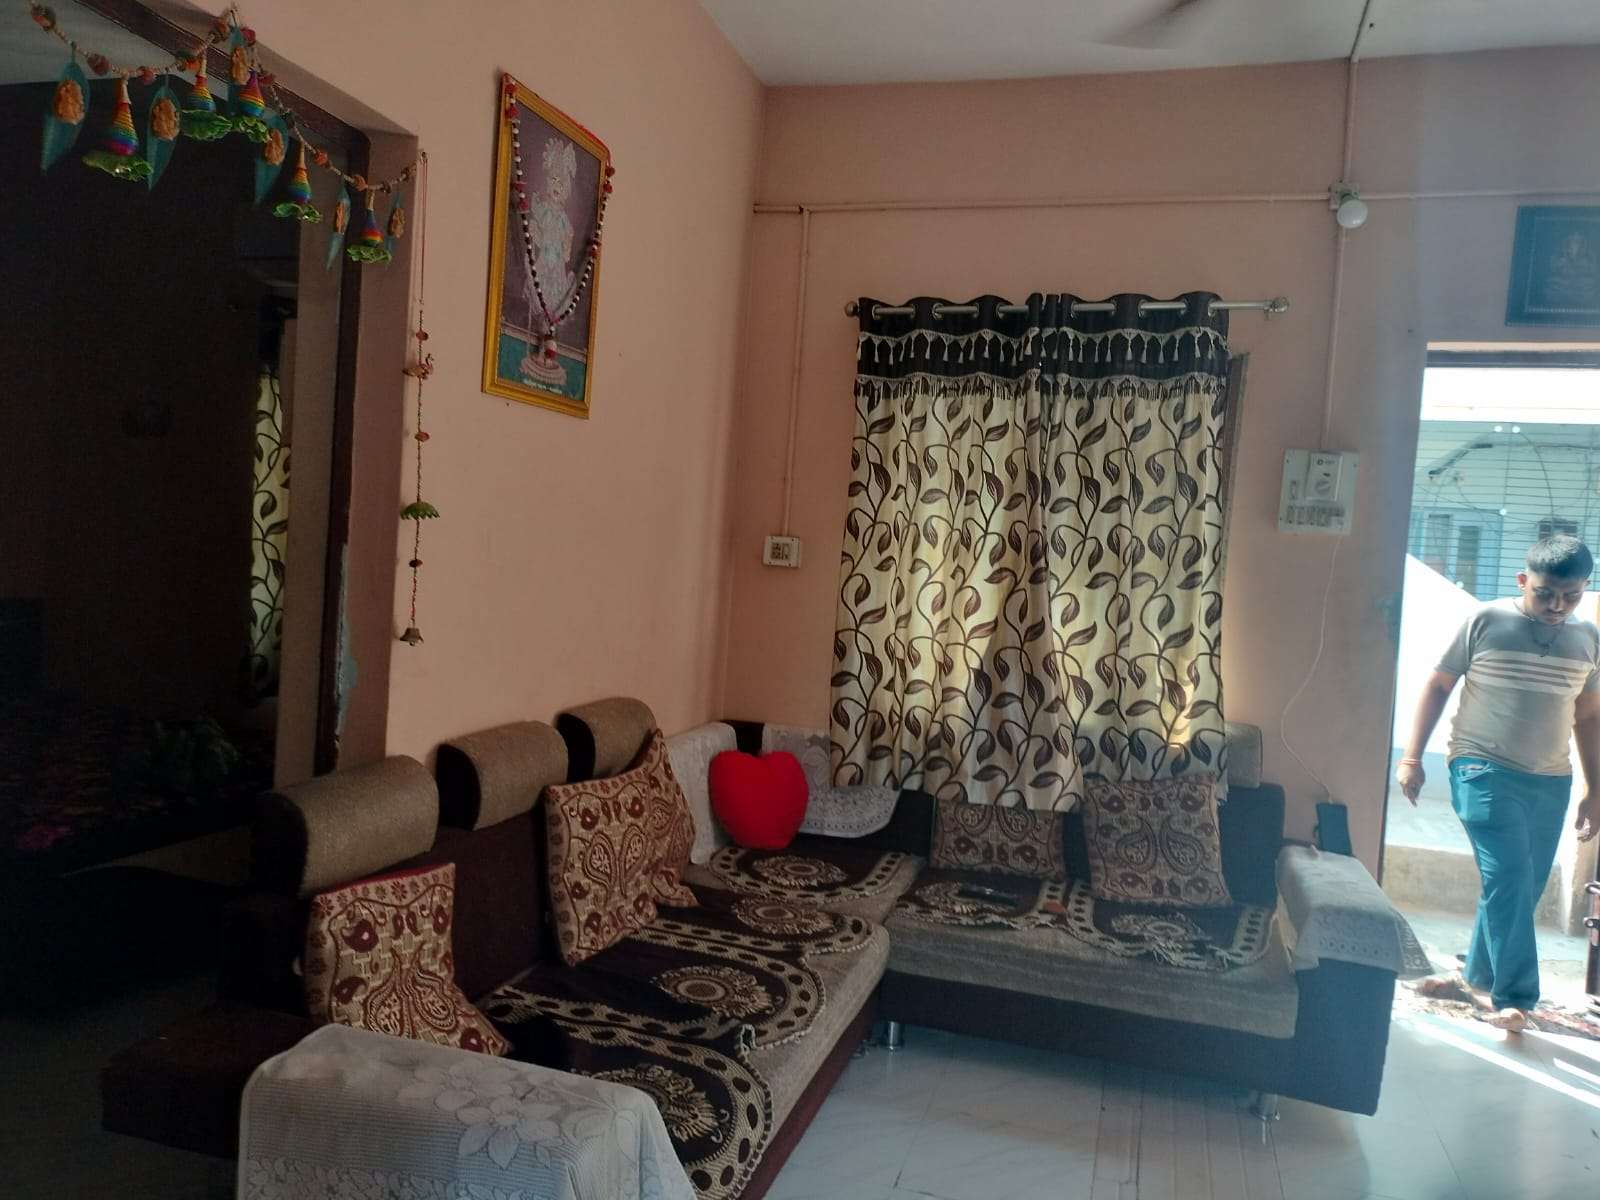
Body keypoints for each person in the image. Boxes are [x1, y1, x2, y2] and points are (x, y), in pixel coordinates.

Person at [1397, 534, 1600, 1031]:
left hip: (1550, 779)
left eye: (1571, 596)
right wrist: (1412, 757)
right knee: (1509, 875)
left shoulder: (1587, 638)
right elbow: (1438, 684)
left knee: (1520, 886)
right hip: (1479, 767)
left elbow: (1589, 716)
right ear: (1523, 580)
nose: (1557, 606)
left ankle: (1477, 977)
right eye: (1545, 593)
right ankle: (1516, 998)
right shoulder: (1486, 621)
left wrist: (1595, 789)